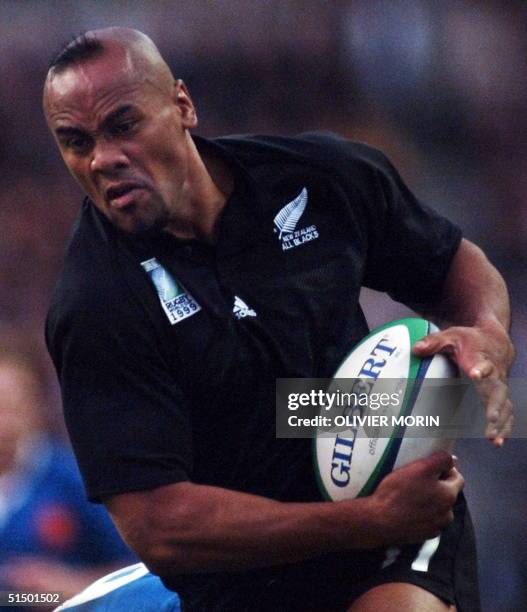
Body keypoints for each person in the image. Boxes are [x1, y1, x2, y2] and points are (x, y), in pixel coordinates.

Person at [43, 27, 514, 611]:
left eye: (123, 126)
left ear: (182, 105)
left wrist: (488, 336)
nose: (102, 159)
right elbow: (159, 527)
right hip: (243, 566)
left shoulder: (319, 176)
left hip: (393, 520)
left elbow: (453, 264)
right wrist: (367, 518)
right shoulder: (95, 303)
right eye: (74, 141)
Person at [0, 338, 137, 602]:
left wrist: (67, 588)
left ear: (39, 405)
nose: (4, 422)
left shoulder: (78, 480)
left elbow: (139, 575)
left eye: (14, 406)